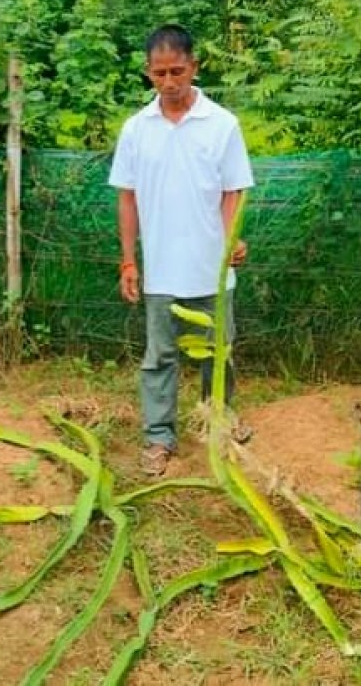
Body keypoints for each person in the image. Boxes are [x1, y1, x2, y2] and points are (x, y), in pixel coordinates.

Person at [108, 24, 255, 476]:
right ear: (148, 74)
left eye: (177, 71)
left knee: (218, 351)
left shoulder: (222, 125)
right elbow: (127, 196)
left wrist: (234, 239)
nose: (169, 83)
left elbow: (234, 192)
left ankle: (219, 422)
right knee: (160, 358)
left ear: (194, 66)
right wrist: (130, 260)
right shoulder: (137, 129)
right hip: (162, 272)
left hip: (211, 270)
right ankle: (158, 438)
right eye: (159, 74)